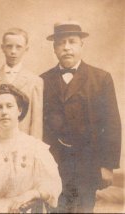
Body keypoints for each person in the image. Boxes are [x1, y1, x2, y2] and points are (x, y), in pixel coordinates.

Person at [41, 20, 122, 213]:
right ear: (54, 48)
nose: (67, 48)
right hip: (54, 163)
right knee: (55, 208)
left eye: (72, 41)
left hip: (88, 162)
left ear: (81, 45)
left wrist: (107, 165)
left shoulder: (100, 78)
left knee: (84, 208)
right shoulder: (43, 80)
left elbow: (111, 124)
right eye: (61, 43)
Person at [0, 84, 61, 213]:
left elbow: (52, 185)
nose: (4, 112)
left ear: (19, 110)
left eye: (9, 106)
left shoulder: (34, 147)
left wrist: (31, 194)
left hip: (24, 207)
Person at [0, 28, 43, 139]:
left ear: (26, 49)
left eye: (18, 47)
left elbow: (36, 123)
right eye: (9, 46)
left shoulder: (35, 81)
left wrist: (33, 147)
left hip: (23, 142)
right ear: (2, 48)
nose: (13, 51)